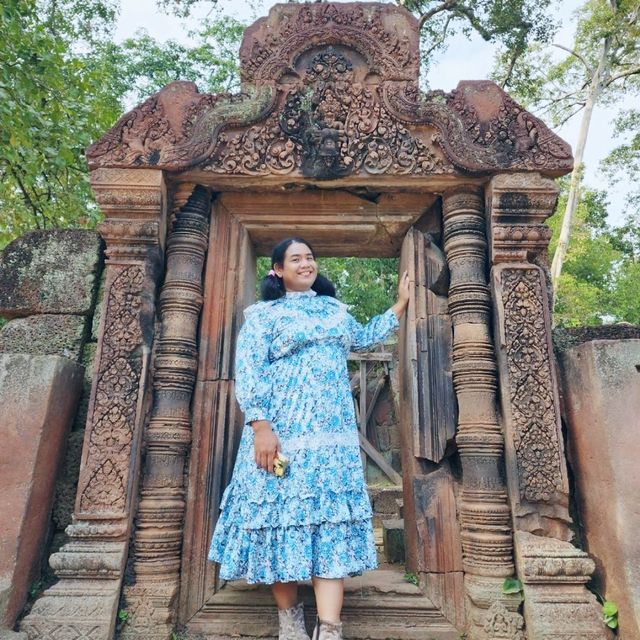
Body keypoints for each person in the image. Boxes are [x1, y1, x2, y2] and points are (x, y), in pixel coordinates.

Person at [208, 237, 410, 640]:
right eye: (296, 259)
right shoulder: (264, 317)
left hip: (332, 444)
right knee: (279, 525)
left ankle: (330, 631)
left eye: (310, 257)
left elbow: (363, 337)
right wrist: (261, 428)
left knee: (330, 527)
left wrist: (400, 304)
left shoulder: (334, 311)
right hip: (281, 439)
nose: (306, 264)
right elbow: (249, 372)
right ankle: (291, 627)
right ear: (277, 269)